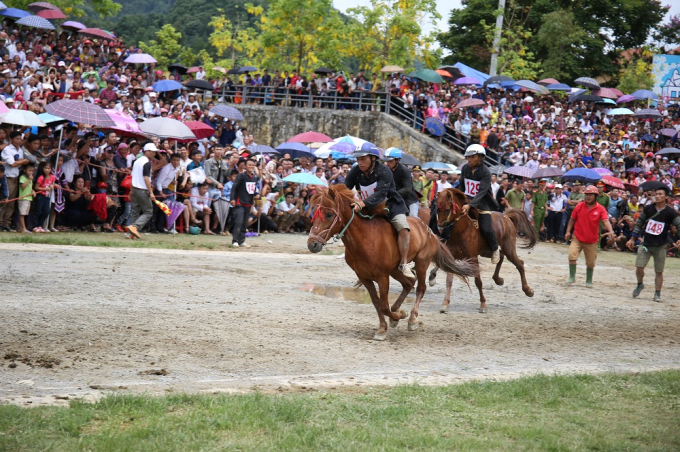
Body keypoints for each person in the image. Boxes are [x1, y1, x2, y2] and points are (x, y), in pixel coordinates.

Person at [345, 142, 415, 279]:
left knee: (403, 227)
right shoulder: (355, 170)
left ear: (373, 158)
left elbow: (381, 194)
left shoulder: (384, 171)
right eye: (358, 159)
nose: (359, 162)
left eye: (363, 159)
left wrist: (362, 203)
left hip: (389, 204)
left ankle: (404, 263)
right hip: (367, 206)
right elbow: (345, 187)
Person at [627, 186, 680, 302]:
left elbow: (678, 225)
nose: (657, 196)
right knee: (639, 266)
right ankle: (640, 284)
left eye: (661, 194)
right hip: (646, 243)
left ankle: (657, 293)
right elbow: (639, 223)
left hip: (661, 245)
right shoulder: (648, 209)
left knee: (659, 271)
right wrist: (632, 239)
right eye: (656, 194)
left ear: (666, 197)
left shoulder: (671, 212)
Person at [457, 144, 501, 264]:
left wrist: (470, 205)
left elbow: (482, 192)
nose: (469, 160)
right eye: (468, 157)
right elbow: (461, 185)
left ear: (480, 157)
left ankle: (495, 247)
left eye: (472, 157)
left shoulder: (486, 172)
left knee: (486, 228)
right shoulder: (465, 168)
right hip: (466, 201)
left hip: (482, 204)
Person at [564, 185, 614, 287]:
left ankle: (589, 280)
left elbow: (605, 220)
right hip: (577, 237)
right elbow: (572, 219)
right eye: (587, 194)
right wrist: (568, 231)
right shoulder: (579, 206)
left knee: (591, 263)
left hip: (592, 240)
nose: (588, 197)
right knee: (571, 255)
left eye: (591, 195)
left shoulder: (600, 209)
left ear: (595, 196)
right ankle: (572, 277)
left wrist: (611, 231)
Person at [127, 142, 159, 239]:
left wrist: (131, 190)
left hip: (135, 189)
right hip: (142, 190)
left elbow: (133, 176)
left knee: (135, 211)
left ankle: (130, 233)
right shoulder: (146, 163)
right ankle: (135, 227)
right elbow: (146, 178)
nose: (154, 154)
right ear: (147, 151)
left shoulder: (137, 161)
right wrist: (151, 192)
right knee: (148, 211)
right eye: (153, 152)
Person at [230, 158, 259, 247]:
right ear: (245, 166)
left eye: (252, 165)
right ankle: (235, 240)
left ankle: (241, 240)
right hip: (240, 202)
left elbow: (252, 190)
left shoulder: (254, 178)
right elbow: (234, 187)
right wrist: (232, 199)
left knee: (244, 223)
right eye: (249, 165)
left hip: (248, 203)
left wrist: (256, 195)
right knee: (239, 221)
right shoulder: (241, 176)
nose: (251, 166)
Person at [382, 148, 420, 217]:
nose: (388, 163)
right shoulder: (387, 170)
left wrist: (392, 195)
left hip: (410, 200)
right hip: (396, 199)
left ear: (397, 160)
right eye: (387, 161)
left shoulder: (404, 170)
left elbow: (407, 189)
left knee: (413, 215)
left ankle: (422, 227)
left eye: (390, 161)